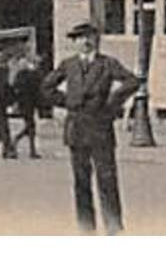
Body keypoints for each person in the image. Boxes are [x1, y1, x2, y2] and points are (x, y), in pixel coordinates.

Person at [41, 22, 140, 235]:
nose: (84, 42)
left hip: (100, 127)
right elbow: (46, 87)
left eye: (89, 37)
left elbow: (132, 81)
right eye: (79, 38)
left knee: (107, 179)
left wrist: (112, 104)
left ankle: (113, 227)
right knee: (81, 181)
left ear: (96, 40)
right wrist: (66, 101)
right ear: (74, 43)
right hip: (76, 128)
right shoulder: (68, 65)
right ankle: (86, 229)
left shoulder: (107, 64)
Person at [11, 55, 45, 158]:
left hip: (30, 103)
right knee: (30, 127)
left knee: (30, 127)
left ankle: (27, 147)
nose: (37, 66)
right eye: (36, 64)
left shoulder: (34, 74)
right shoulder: (24, 74)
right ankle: (20, 143)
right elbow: (16, 88)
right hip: (25, 103)